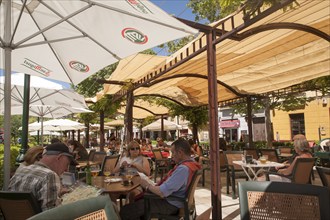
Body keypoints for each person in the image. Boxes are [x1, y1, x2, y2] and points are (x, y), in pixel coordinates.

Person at [119, 139, 202, 220]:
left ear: (180, 152)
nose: (172, 155)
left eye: (173, 152)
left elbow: (162, 192)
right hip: (176, 201)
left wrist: (146, 185)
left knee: (126, 210)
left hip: (171, 204)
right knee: (136, 206)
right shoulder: (192, 163)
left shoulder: (183, 169)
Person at [8, 142, 77, 211]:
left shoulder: (22, 170)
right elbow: (51, 213)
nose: (66, 169)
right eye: (67, 164)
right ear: (60, 158)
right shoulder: (49, 175)